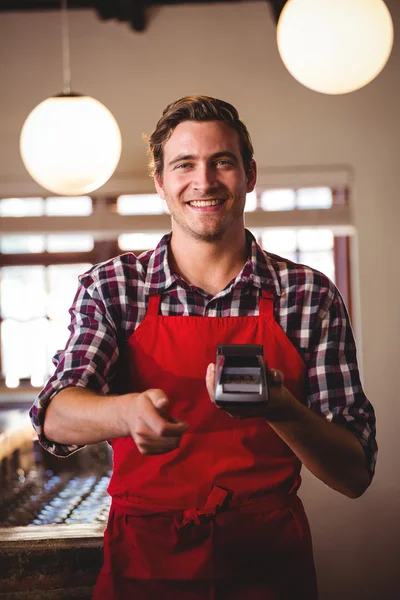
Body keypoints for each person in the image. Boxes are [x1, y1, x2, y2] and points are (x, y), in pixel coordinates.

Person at [30, 95, 377, 600]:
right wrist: (127, 413)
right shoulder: (113, 288)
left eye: (223, 162)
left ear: (249, 174)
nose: (205, 181)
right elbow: (54, 416)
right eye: (184, 164)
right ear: (161, 182)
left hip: (270, 571)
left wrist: (281, 409)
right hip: (142, 570)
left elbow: (355, 472)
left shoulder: (308, 296)